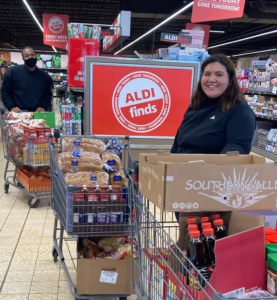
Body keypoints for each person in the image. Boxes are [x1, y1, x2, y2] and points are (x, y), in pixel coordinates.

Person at [171, 54, 256, 222]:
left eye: (219, 74)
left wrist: (205, 179)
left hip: (210, 193)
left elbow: (236, 151)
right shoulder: (196, 105)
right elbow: (179, 142)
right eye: (207, 74)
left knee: (204, 244)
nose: (211, 79)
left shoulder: (239, 110)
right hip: (183, 186)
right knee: (187, 240)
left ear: (230, 80)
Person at [1, 47, 52, 112]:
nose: (30, 57)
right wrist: (11, 106)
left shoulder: (44, 76)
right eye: (27, 56)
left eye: (32, 55)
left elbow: (47, 95)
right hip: (18, 114)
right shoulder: (13, 72)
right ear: (23, 58)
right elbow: (5, 91)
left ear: (35, 56)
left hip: (37, 114)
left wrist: (43, 107)